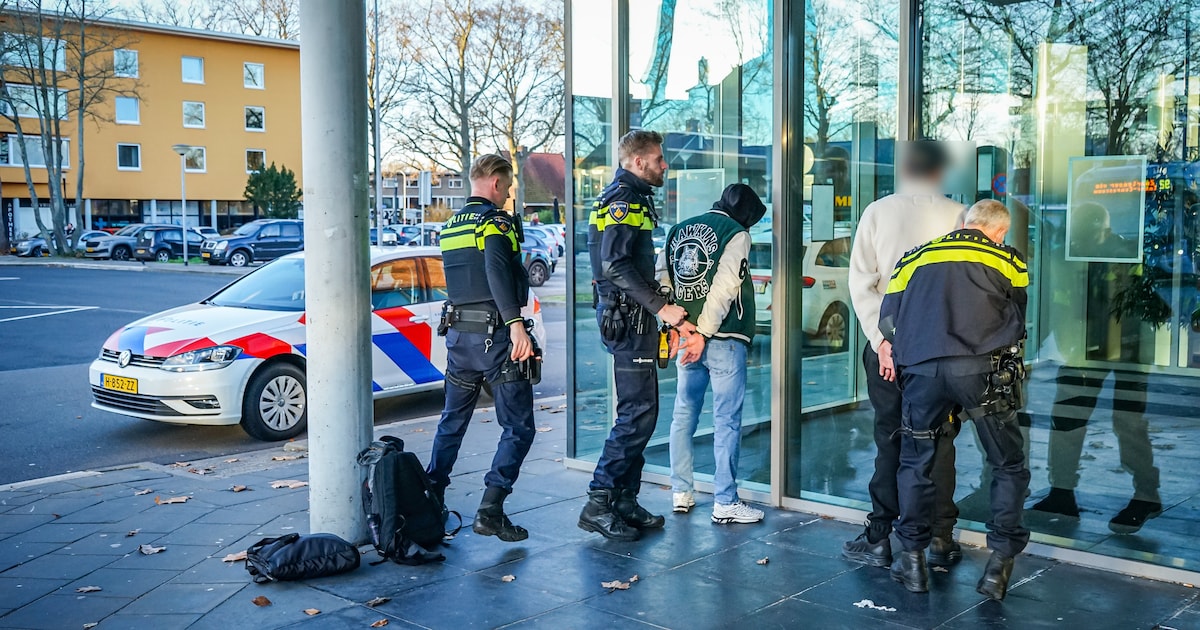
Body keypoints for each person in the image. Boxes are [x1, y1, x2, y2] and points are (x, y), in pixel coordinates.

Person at [880, 199, 1030, 600]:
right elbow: (1017, 317)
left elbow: (889, 321)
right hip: (981, 373)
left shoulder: (914, 257)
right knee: (1007, 463)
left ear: (966, 223)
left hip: (923, 372)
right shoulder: (1006, 259)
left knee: (917, 463)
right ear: (999, 230)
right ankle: (998, 567)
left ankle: (912, 561)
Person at [843, 140, 966, 569]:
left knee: (890, 438)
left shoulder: (879, 211)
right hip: (942, 349)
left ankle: (880, 535)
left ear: (905, 168)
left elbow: (861, 282)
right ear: (940, 171)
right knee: (941, 440)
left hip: (888, 347)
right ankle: (941, 537)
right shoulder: (958, 216)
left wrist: (882, 342)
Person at [578, 130, 696, 541]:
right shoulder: (623, 200)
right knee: (636, 414)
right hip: (629, 320)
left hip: (633, 318)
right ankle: (599, 500)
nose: (665, 165)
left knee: (643, 413)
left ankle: (624, 500)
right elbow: (614, 265)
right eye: (660, 159)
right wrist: (662, 308)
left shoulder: (633, 197)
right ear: (638, 161)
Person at [426, 154, 537, 543]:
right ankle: (491, 509)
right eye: (506, 187)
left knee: (452, 422)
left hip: (459, 339)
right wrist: (515, 324)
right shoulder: (494, 222)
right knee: (519, 427)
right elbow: (494, 270)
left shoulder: (451, 226)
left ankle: (431, 500)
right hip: (495, 338)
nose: (507, 195)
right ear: (493, 181)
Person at [1031, 201, 1160, 533]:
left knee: (1128, 421)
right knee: (1067, 418)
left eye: (1090, 229)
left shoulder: (1127, 254)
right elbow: (1055, 300)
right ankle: (1061, 491)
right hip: (1083, 349)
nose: (1084, 236)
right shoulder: (1067, 254)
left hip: (1128, 350)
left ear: (1104, 228)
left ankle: (1146, 494)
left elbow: (1151, 305)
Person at [660, 183, 767, 525]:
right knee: (727, 420)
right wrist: (703, 333)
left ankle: (681, 492)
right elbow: (725, 288)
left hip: (686, 335)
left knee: (683, 414)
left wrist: (683, 328)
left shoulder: (678, 229)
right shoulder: (735, 233)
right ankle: (725, 501)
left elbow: (662, 280)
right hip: (722, 337)